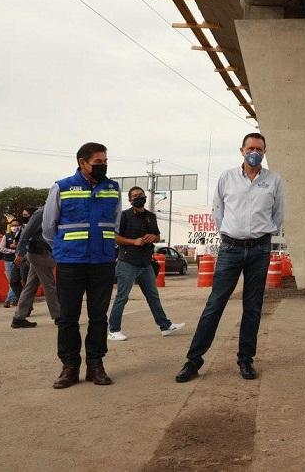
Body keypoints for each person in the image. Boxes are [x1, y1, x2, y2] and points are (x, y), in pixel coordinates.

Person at [176, 133, 284, 383]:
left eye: (259, 148)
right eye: (250, 148)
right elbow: (218, 211)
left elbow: (278, 215)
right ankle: (193, 361)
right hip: (230, 249)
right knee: (215, 304)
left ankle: (246, 360)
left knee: (253, 307)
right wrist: (230, 233)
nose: (254, 152)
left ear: (264, 152)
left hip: (260, 250)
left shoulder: (274, 180)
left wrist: (260, 235)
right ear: (242, 150)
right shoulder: (227, 178)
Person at [42, 142, 122, 389]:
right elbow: (48, 228)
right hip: (70, 262)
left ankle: (95, 365)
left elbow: (115, 225)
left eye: (105, 161)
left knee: (99, 317)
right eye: (98, 162)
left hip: (102, 261)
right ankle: (70, 367)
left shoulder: (112, 189)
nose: (103, 165)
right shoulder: (62, 187)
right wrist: (65, 249)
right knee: (68, 317)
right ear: (82, 162)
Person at [108, 186, 184, 342]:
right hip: (127, 262)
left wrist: (153, 237)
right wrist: (133, 241)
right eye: (135, 195)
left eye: (141, 195)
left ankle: (165, 326)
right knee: (122, 297)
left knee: (153, 296)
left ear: (145, 197)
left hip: (145, 263)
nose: (138, 197)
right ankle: (113, 330)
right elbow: (114, 238)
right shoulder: (124, 216)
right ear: (130, 200)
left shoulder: (151, 216)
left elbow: (157, 235)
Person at [12, 206, 60, 328]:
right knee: (49, 285)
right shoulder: (41, 212)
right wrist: (20, 253)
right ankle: (58, 316)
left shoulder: (54, 210)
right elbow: (26, 232)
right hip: (39, 253)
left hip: (42, 252)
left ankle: (19, 318)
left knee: (31, 286)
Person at [0, 220, 22, 306]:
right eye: (13, 225)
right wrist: (13, 251)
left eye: (16, 225)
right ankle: (14, 299)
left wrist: (17, 247)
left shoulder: (22, 235)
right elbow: (1, 249)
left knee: (16, 281)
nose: (15, 227)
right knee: (12, 281)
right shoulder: (7, 236)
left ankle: (9, 300)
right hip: (9, 261)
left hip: (20, 261)